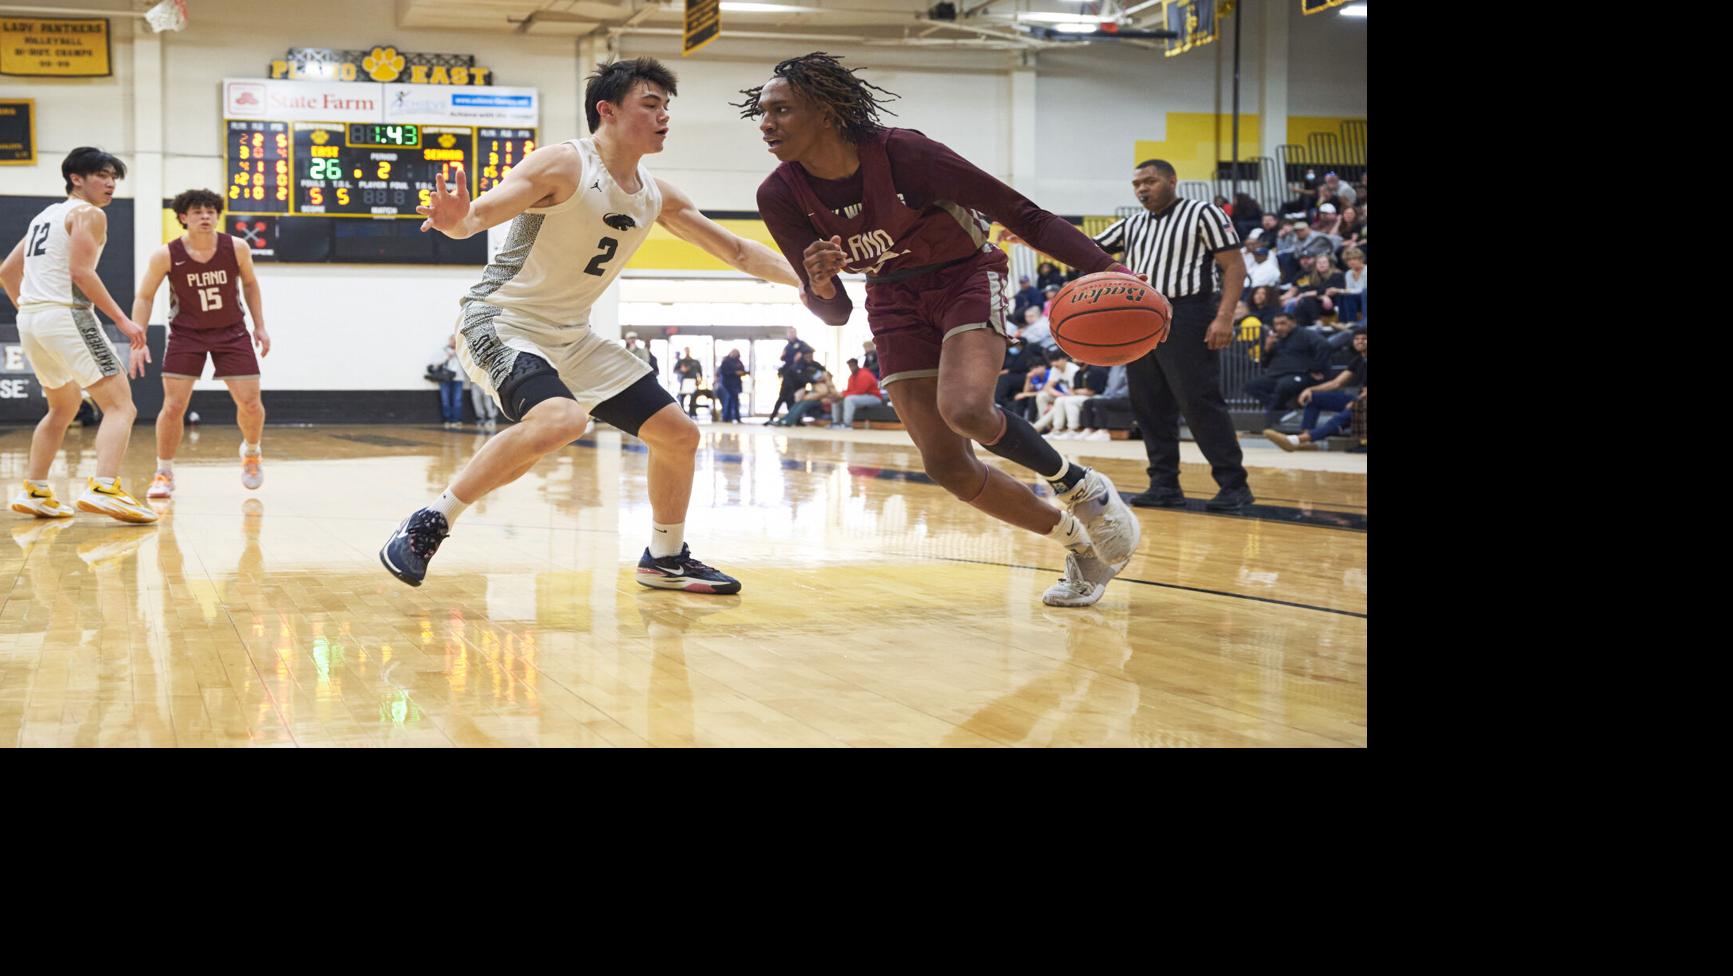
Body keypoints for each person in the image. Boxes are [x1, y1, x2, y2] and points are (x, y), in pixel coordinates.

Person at [380, 58, 799, 593]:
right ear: (608, 110)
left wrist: (808, 285)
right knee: (561, 421)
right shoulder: (563, 164)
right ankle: (430, 521)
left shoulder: (655, 193)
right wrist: (457, 220)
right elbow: (480, 216)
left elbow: (739, 251)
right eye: (651, 104)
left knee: (678, 435)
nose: (664, 116)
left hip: (571, 337)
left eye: (667, 106)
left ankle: (664, 558)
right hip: (501, 319)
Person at [740, 51, 1142, 608]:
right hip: (890, 297)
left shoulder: (905, 154)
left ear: (826, 110)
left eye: (780, 110)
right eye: (762, 112)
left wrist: (1106, 268)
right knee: (946, 464)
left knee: (967, 410)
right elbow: (834, 314)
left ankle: (1083, 489)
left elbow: (1020, 213)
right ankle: (1077, 543)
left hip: (966, 275)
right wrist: (821, 282)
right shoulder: (779, 194)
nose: (765, 124)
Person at [1, 147, 157, 525]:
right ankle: (103, 487)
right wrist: (123, 320)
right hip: (66, 314)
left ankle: (36, 490)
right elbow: (82, 273)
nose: (110, 184)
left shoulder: (43, 216)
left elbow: (7, 272)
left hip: (33, 319)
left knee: (63, 406)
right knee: (122, 405)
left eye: (114, 178)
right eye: (102, 175)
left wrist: (34, 313)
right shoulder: (89, 213)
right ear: (76, 178)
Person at [1094, 159, 1253, 511]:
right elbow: (1085, 248)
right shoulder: (1132, 224)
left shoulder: (1203, 213)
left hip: (1189, 313)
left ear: (1172, 181)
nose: (1142, 189)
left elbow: (1234, 266)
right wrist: (1032, 238)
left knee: (1198, 402)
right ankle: (1164, 484)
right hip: (1140, 320)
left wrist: (1224, 317)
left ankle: (1234, 486)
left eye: (1150, 181)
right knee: (1149, 405)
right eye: (1137, 184)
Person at [129, 189, 272, 497]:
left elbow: (250, 284)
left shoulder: (236, 247)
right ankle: (163, 472)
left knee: (250, 402)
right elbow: (144, 296)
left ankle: (251, 451)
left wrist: (259, 326)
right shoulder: (166, 254)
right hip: (186, 334)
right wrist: (138, 337)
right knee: (173, 406)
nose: (205, 216)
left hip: (232, 331)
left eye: (210, 211)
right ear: (183, 217)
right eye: (197, 211)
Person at [1266, 329, 1365, 450]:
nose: (1360, 342)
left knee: (1348, 413)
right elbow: (1336, 383)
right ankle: (1305, 443)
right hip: (1361, 399)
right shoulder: (1358, 360)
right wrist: (1310, 389)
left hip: (1363, 400)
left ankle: (1297, 440)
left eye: (1364, 338)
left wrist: (1358, 401)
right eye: (1357, 339)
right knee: (1314, 398)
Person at [1242, 312, 1329, 429]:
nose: (1279, 327)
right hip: (1275, 374)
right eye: (1276, 324)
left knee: (1284, 385)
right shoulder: (1274, 339)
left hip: (1299, 373)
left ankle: (1272, 417)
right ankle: (1283, 409)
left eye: (1283, 323)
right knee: (1251, 386)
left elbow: (1324, 345)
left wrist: (1316, 368)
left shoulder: (1305, 334)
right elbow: (1264, 363)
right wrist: (1267, 348)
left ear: (1293, 323)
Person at [766, 327, 813, 423]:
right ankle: (772, 418)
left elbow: (810, 349)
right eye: (789, 333)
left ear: (796, 333)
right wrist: (782, 356)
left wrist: (801, 352)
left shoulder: (801, 344)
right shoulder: (787, 346)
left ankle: (797, 420)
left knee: (796, 400)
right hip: (788, 376)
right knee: (783, 397)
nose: (791, 334)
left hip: (798, 377)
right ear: (787, 334)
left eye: (793, 332)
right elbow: (783, 358)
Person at [830, 357, 885, 427]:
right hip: (861, 397)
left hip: (874, 398)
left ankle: (847, 424)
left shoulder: (864, 374)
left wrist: (843, 395)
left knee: (849, 399)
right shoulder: (851, 376)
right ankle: (836, 423)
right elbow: (850, 390)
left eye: (852, 365)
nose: (851, 367)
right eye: (850, 366)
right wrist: (839, 395)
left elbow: (860, 391)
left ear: (856, 365)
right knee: (836, 400)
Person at [430, 334, 465, 427]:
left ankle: (456, 420)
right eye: (452, 340)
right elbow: (435, 364)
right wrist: (447, 357)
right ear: (449, 340)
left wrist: (457, 354)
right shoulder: (443, 351)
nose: (453, 342)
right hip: (445, 378)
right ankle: (447, 420)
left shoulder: (462, 351)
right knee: (445, 400)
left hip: (459, 378)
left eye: (455, 340)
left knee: (457, 400)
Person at [715, 348, 747, 422]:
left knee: (735, 401)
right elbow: (723, 372)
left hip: (736, 384)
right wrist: (735, 373)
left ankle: (736, 417)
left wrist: (741, 373)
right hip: (727, 384)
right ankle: (726, 417)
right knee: (728, 401)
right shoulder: (726, 361)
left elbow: (743, 370)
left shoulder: (738, 362)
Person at [673, 346, 704, 417]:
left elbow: (700, 372)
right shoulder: (681, 361)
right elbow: (675, 370)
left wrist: (700, 380)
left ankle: (692, 412)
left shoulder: (695, 362)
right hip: (684, 381)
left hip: (693, 381)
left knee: (693, 397)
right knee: (682, 397)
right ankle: (682, 413)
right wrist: (682, 370)